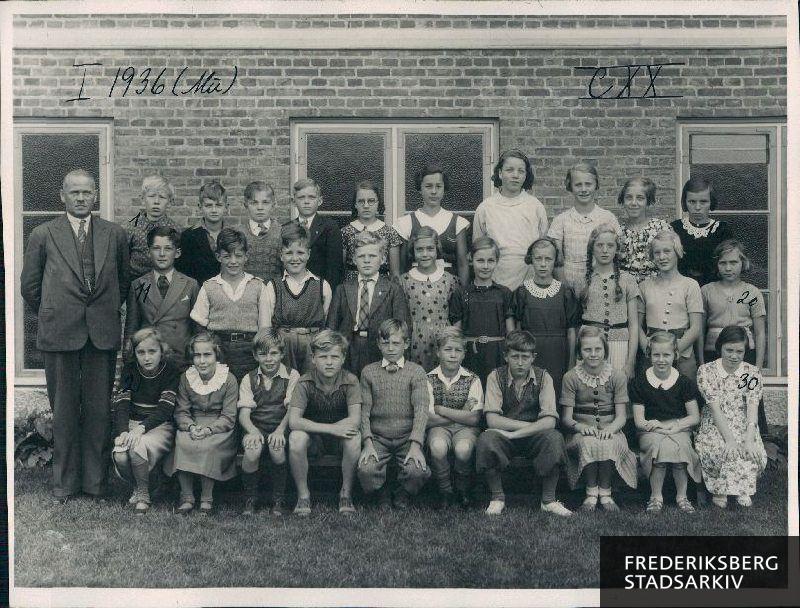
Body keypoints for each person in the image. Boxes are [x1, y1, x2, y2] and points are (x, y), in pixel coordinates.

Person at [21, 169, 129, 502]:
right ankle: (65, 485)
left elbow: (122, 283)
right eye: (74, 193)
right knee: (64, 411)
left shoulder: (114, 235)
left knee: (98, 410)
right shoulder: (42, 234)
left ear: (96, 195)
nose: (81, 198)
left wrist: (100, 313)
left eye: (87, 192)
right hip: (59, 333)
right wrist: (58, 311)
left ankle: (95, 485)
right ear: (62, 196)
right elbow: (30, 286)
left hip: (101, 332)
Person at [474, 330, 572, 517]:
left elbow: (550, 421)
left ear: (533, 357)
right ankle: (497, 498)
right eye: (515, 356)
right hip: (507, 436)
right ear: (505, 356)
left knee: (554, 438)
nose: (520, 362)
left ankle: (548, 500)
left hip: (535, 438)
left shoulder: (544, 377)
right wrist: (523, 430)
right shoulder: (495, 376)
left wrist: (520, 432)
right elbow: (492, 419)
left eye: (525, 357)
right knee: (486, 439)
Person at [561, 326, 637, 512]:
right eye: (587, 350)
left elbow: (621, 417)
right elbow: (566, 419)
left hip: (612, 429)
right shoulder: (571, 377)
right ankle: (590, 493)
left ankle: (605, 493)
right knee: (589, 442)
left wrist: (610, 429)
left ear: (605, 351)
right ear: (579, 352)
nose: (593, 354)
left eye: (598, 349)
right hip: (581, 432)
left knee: (606, 442)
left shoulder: (617, 376)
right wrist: (580, 427)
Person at [357, 319, 432, 510]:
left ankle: (402, 493)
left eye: (396, 343)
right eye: (385, 343)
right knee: (366, 469)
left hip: (407, 437)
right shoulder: (368, 372)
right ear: (378, 344)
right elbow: (364, 411)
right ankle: (382, 493)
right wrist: (367, 442)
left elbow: (421, 411)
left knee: (417, 471)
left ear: (406, 344)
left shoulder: (416, 372)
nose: (390, 348)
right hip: (378, 437)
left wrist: (416, 444)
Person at [164, 332, 239, 515]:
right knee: (183, 440)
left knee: (208, 445)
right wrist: (190, 426)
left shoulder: (228, 379)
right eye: (197, 355)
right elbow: (181, 411)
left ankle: (207, 498)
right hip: (193, 422)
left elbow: (229, 416)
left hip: (220, 427)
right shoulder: (186, 378)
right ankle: (187, 497)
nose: (202, 361)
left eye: (207, 355)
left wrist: (209, 429)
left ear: (216, 355)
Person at [288, 330, 362, 516]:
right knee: (296, 438)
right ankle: (303, 495)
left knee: (354, 437)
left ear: (343, 358)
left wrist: (338, 430)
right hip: (315, 439)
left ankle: (346, 493)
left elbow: (355, 419)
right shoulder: (304, 383)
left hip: (340, 439)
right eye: (323, 356)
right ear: (313, 358)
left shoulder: (350, 381)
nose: (329, 362)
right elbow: (294, 421)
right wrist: (331, 428)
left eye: (335, 356)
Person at [701, 239, 769, 434]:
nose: (728, 268)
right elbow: (701, 328)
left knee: (747, 397)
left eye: (733, 262)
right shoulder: (707, 291)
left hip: (743, 354)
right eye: (723, 263)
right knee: (717, 398)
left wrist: (757, 367)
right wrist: (700, 359)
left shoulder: (751, 292)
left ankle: (756, 437)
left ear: (743, 263)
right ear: (716, 265)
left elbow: (760, 332)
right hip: (713, 353)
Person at [694, 326, 767, 509]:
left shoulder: (751, 373)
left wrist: (749, 439)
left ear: (745, 351)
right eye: (729, 350)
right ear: (720, 348)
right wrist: (729, 440)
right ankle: (721, 491)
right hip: (716, 422)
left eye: (739, 351)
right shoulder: (706, 371)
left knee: (750, 450)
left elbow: (752, 408)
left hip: (743, 421)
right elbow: (715, 409)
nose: (734, 356)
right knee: (722, 449)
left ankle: (743, 489)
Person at [630, 331, 701, 513]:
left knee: (680, 447)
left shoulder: (684, 383)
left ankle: (682, 496)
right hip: (650, 430)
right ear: (649, 355)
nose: (661, 360)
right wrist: (658, 427)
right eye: (656, 355)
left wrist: (674, 426)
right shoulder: (640, 382)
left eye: (666, 355)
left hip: (679, 428)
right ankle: (656, 497)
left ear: (675, 355)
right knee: (660, 447)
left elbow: (694, 417)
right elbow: (639, 421)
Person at [111, 327, 180, 513]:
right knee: (119, 454)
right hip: (133, 424)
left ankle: (143, 494)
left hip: (158, 426)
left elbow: (165, 409)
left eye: (152, 351)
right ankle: (139, 485)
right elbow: (122, 404)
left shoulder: (170, 371)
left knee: (136, 448)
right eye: (141, 352)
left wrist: (140, 429)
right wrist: (123, 431)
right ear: (134, 353)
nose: (147, 357)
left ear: (161, 351)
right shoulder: (130, 370)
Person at [190, 228, 270, 382]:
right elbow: (199, 325)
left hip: (249, 351)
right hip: (218, 350)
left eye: (238, 256)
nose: (233, 261)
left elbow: (265, 328)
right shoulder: (209, 286)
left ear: (246, 257)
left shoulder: (258, 286)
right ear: (218, 257)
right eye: (227, 256)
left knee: (246, 394)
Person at [326, 231, 410, 375]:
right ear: (353, 259)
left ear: (383, 259)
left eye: (372, 256)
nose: (366, 260)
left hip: (379, 349)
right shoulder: (343, 289)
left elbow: (401, 327)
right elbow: (331, 327)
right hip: (349, 350)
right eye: (361, 256)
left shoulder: (393, 290)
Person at [237, 329, 300, 516]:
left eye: (273, 353)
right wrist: (252, 431)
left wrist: (280, 431)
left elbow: (292, 410)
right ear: (255, 355)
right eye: (263, 354)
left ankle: (278, 499)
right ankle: (250, 498)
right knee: (252, 449)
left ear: (281, 354)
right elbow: (243, 414)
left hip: (281, 426)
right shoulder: (248, 378)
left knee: (277, 448)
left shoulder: (292, 375)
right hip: (255, 426)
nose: (269, 359)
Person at [472, 149, 548, 290]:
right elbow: (478, 247)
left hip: (529, 279)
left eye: (521, 171)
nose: (515, 175)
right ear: (500, 173)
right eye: (509, 170)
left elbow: (543, 247)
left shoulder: (535, 206)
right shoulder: (486, 208)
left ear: (526, 175)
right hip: (495, 279)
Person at [513, 237, 580, 396]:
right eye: (538, 258)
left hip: (558, 354)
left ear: (555, 261)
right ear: (531, 260)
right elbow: (517, 331)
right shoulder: (522, 292)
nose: (543, 264)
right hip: (531, 353)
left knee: (556, 394)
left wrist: (570, 365)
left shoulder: (565, 293)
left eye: (548, 259)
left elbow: (572, 332)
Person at [125, 226, 199, 371]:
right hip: (151, 360)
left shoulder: (190, 284)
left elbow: (198, 329)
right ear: (149, 252)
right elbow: (132, 327)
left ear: (177, 253)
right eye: (156, 248)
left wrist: (195, 357)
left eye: (168, 249)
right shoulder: (139, 285)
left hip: (181, 360)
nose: (162, 254)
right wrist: (129, 365)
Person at [425, 327, 483, 509]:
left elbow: (474, 419)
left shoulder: (472, 379)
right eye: (448, 350)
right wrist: (461, 415)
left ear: (464, 354)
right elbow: (428, 419)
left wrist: (440, 408)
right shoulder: (428, 379)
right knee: (437, 447)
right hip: (438, 429)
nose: (453, 355)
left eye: (458, 350)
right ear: (438, 352)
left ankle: (462, 489)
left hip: (466, 430)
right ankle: (445, 491)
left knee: (463, 449)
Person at [264, 224, 332, 374]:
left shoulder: (322, 285)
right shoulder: (273, 286)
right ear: (281, 255)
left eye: (300, 252)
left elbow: (326, 320)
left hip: (313, 346)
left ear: (308, 254)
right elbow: (266, 327)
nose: (295, 258)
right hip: (283, 346)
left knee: (311, 384)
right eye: (289, 253)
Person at [637, 229, 703, 379]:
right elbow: (637, 326)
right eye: (657, 253)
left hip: (682, 353)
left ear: (677, 252)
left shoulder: (690, 285)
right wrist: (648, 348)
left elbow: (696, 327)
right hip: (652, 353)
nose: (662, 257)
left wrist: (674, 351)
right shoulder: (644, 286)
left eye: (667, 251)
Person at [449, 237, 515, 387]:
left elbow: (511, 333)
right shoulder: (461, 294)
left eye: (490, 261)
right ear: (471, 259)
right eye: (480, 261)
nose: (485, 266)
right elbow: (456, 333)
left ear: (497, 261)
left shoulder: (504, 293)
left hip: (497, 355)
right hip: (470, 356)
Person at [548, 163, 621, 295]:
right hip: (569, 286)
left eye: (588, 184)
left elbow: (617, 256)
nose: (583, 189)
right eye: (578, 185)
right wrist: (567, 291)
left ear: (596, 185)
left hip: (602, 288)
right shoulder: (561, 221)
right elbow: (557, 261)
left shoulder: (608, 218)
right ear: (570, 187)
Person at [391, 164, 470, 286]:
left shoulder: (457, 222)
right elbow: (402, 266)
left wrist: (463, 296)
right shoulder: (406, 222)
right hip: (415, 286)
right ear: (420, 188)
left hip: (449, 287)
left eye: (438, 186)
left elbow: (462, 264)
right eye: (428, 186)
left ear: (444, 188)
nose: (434, 191)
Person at [580, 224, 639, 379]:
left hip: (619, 345)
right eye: (599, 245)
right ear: (592, 248)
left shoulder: (628, 280)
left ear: (616, 249)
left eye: (610, 245)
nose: (605, 250)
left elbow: (634, 324)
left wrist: (630, 362)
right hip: (590, 345)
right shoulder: (583, 280)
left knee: (618, 391)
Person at [400, 227, 459, 371]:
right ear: (413, 251)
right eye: (419, 249)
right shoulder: (404, 281)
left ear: (437, 249)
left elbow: (456, 316)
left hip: (442, 342)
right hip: (414, 342)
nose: (425, 254)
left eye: (430, 249)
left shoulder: (450, 280)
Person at [670, 176, 733, 288]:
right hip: (681, 290)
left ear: (711, 202)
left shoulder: (722, 230)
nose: (697, 207)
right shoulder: (675, 228)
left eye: (703, 202)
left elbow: (730, 265)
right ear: (685, 202)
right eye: (692, 202)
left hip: (715, 290)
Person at [288, 177, 344, 290]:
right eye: (301, 197)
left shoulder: (330, 228)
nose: (306, 201)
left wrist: (327, 293)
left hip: (320, 289)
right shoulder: (287, 228)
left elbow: (334, 267)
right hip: (292, 288)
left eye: (311, 197)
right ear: (293, 201)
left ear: (320, 201)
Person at [340, 180, 401, 282]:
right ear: (355, 204)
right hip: (352, 284)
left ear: (378, 203)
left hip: (381, 284)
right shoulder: (345, 232)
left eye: (371, 201)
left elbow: (395, 273)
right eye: (361, 201)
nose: (366, 205)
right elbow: (340, 269)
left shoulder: (390, 232)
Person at [126, 175, 182, 281]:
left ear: (169, 202)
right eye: (151, 196)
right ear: (142, 199)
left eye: (162, 197)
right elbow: (123, 263)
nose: (156, 201)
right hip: (136, 287)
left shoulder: (176, 229)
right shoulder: (131, 228)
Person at [617, 177, 671, 284]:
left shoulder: (661, 228)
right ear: (623, 200)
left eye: (640, 198)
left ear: (648, 201)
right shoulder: (617, 231)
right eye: (628, 198)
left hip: (656, 290)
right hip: (626, 292)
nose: (633, 203)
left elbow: (671, 264)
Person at [175, 180, 229, 285]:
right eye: (208, 205)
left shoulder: (234, 235)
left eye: (218, 205)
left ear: (226, 207)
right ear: (200, 207)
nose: (214, 210)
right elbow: (182, 272)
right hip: (198, 293)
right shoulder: (188, 236)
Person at [241, 181, 283, 284]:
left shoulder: (282, 232)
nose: (260, 207)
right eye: (254, 203)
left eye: (265, 202)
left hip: (275, 292)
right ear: (246, 205)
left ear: (273, 204)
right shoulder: (238, 234)